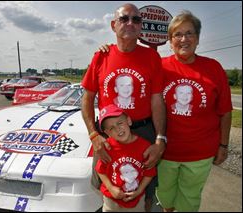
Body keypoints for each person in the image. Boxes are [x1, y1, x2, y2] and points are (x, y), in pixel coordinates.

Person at [81, 3, 166, 211]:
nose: (130, 23)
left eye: (136, 19)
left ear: (141, 26)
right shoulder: (101, 56)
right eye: (124, 18)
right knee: (108, 185)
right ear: (113, 25)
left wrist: (160, 139)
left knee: (146, 189)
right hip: (109, 135)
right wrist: (94, 135)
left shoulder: (151, 57)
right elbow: (87, 97)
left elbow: (157, 100)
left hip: (143, 131)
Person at [155, 10, 233, 212]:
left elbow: (225, 111)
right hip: (165, 152)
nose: (184, 39)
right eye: (178, 35)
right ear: (170, 41)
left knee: (189, 201)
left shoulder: (213, 68)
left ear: (198, 38)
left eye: (189, 33)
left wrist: (223, 145)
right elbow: (131, 65)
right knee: (165, 198)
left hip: (200, 154)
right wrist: (108, 51)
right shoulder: (160, 67)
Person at [95, 104, 157, 212]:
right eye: (111, 128)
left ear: (128, 121)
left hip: (136, 199)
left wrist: (139, 190)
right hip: (111, 199)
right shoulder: (108, 147)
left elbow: (150, 172)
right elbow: (100, 170)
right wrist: (111, 188)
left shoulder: (144, 146)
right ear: (107, 133)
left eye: (120, 123)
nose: (118, 129)